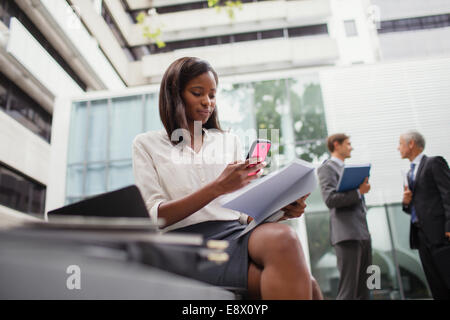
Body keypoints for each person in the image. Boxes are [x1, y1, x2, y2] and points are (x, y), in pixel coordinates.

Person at [132, 57, 323, 300]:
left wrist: (280, 210)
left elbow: (244, 214)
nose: (207, 102)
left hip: (237, 231)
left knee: (285, 237)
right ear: (174, 94)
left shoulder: (228, 139)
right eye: (197, 93)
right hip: (186, 244)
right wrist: (217, 188)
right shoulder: (146, 144)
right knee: (310, 287)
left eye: (212, 95)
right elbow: (154, 217)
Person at [317, 133, 372, 300]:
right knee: (348, 290)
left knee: (364, 289)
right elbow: (330, 199)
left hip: (362, 233)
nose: (351, 147)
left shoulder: (347, 170)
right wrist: (358, 192)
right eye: (348, 144)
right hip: (346, 234)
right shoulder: (326, 168)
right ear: (336, 145)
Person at [398, 130, 450, 299]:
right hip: (421, 237)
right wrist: (406, 202)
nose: (398, 148)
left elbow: (447, 194)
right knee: (436, 285)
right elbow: (414, 207)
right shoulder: (408, 173)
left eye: (400, 144)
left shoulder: (434, 163)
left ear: (411, 143)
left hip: (440, 234)